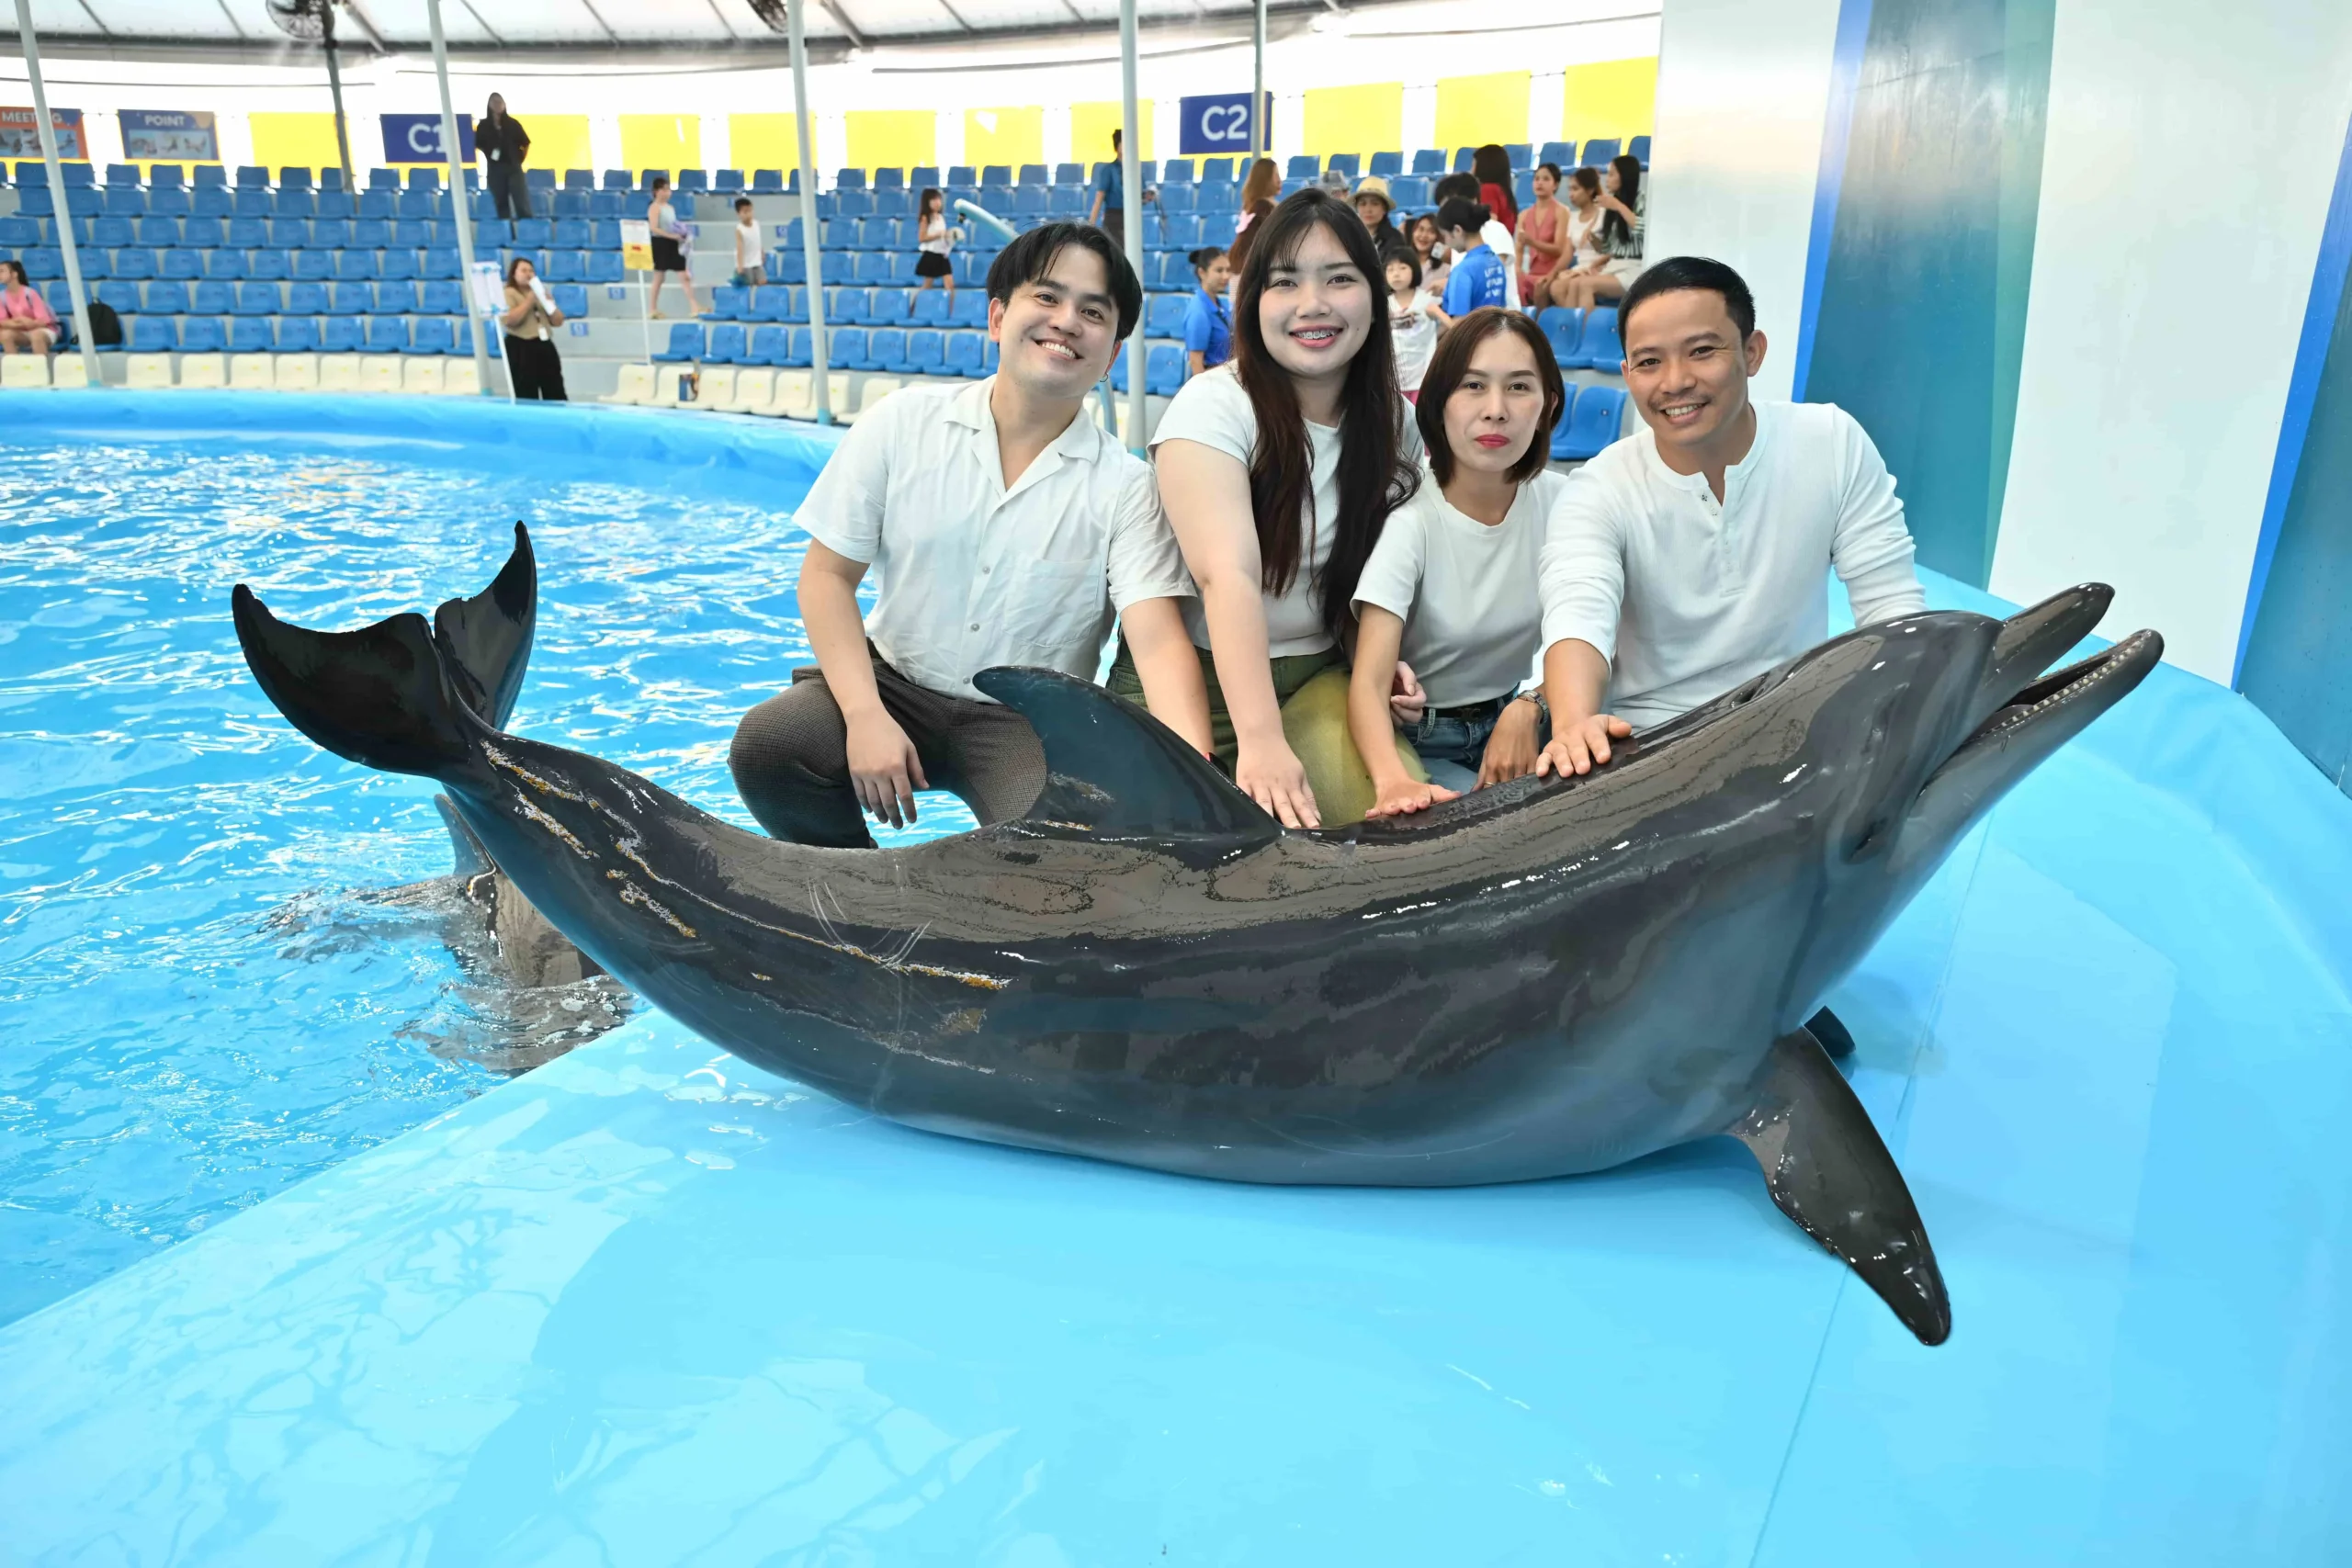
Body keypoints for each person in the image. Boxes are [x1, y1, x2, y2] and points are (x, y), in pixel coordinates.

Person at [728, 222, 1210, 848]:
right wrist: (865, 713)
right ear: (997, 316)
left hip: (1023, 720)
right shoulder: (903, 424)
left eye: (1093, 312)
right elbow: (825, 578)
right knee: (772, 746)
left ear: (1112, 353)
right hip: (892, 683)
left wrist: (1195, 780)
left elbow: (1157, 640)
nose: (1066, 321)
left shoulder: (1125, 486)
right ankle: (854, 888)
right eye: (1047, 297)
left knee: (1055, 846)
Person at [1534, 256, 1927, 782]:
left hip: (1794, 730)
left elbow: (1891, 607)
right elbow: (1577, 614)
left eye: (1702, 351)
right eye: (1649, 362)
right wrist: (1575, 724)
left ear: (1752, 351)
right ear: (1626, 374)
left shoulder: (1831, 442)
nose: (1675, 382)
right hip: (1645, 745)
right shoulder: (1600, 488)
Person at [1115, 189, 1424, 829]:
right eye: (1285, 282)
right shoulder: (1212, 409)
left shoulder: (1395, 421)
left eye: (1339, 278)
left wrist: (1378, 657)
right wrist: (1259, 740)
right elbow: (1226, 577)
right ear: (1252, 302)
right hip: (1198, 684)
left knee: (1388, 820)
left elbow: (1385, 563)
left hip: (1319, 673)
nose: (1313, 304)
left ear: (1373, 294)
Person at [1350, 307, 1568, 817]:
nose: (1495, 410)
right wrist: (1393, 783)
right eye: (1473, 386)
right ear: (1437, 403)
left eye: (1518, 387)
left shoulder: (1566, 504)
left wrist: (1530, 704)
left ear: (1548, 405)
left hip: (1523, 718)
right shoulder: (1411, 521)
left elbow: (1606, 642)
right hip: (1425, 736)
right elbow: (1367, 685)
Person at [1549, 154, 1645, 310]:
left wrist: (1619, 207)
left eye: (1612, 174)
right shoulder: (1611, 204)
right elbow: (1607, 249)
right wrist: (1593, 240)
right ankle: (1574, 330)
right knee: (1574, 283)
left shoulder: (1641, 200)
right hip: (1614, 266)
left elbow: (1643, 230)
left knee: (1585, 285)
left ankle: (1583, 332)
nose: (1607, 179)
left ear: (1625, 176)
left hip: (1634, 268)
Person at [500, 255, 567, 400]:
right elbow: (509, 320)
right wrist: (529, 301)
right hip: (521, 345)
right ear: (514, 274)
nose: (528, 274)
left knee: (555, 387)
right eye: (523, 270)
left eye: (531, 270)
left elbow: (558, 321)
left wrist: (550, 305)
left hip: (544, 344)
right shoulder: (508, 293)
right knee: (526, 389)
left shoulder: (539, 292)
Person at [1384, 248, 1442, 398]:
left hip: (1422, 376)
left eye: (1402, 268)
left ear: (1414, 270)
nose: (1396, 274)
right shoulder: (1384, 305)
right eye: (1390, 270)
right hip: (1393, 379)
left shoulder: (1427, 300)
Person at [1437, 198, 1507, 316]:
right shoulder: (1496, 261)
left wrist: (1434, 311)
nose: (1446, 242)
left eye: (1445, 236)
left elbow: (1459, 323)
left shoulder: (1463, 270)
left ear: (1457, 230)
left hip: (1474, 333)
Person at [1516, 163, 1568, 307]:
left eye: (1546, 179)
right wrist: (1518, 269)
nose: (1540, 183)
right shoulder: (1524, 215)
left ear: (1555, 185)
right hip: (1533, 272)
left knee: (1541, 286)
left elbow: (1559, 249)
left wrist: (1532, 242)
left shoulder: (1562, 211)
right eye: (1537, 178)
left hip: (1554, 272)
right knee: (1514, 280)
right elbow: (1519, 249)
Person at [646, 175, 697, 319]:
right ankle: (652, 309)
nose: (668, 192)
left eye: (669, 189)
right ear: (657, 191)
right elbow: (654, 228)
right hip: (660, 244)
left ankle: (694, 306)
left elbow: (673, 225)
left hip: (673, 244)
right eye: (664, 189)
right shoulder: (654, 208)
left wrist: (681, 232)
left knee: (684, 274)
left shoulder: (670, 208)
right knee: (659, 277)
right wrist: (671, 236)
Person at [478, 93, 532, 220]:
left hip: (513, 167)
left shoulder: (513, 124)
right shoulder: (484, 126)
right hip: (495, 169)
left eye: (500, 102)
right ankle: (507, 231)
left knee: (521, 201)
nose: (497, 105)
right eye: (494, 102)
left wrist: (520, 158)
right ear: (489, 105)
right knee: (501, 202)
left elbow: (525, 143)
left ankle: (526, 229)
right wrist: (490, 155)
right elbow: (479, 144)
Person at [1181, 245, 1232, 378]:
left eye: (1228, 270)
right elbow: (1196, 362)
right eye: (1219, 270)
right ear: (1202, 273)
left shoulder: (1219, 305)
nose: (1226, 276)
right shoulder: (1199, 311)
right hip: (1211, 384)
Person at [0, 261, 58, 355]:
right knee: (4, 335)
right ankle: (14, 366)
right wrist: (21, 322)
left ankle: (39, 368)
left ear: (14, 274)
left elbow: (43, 321)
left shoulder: (30, 293)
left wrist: (29, 323)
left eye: (2, 271)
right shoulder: (2, 297)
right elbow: (2, 322)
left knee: (36, 335)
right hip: (22, 332)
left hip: (44, 331)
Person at [1087, 129, 1127, 249]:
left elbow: (1142, 197)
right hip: (1114, 217)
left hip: (1131, 217)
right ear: (1117, 146)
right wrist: (1091, 225)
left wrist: (1148, 197)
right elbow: (1099, 199)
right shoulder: (1108, 170)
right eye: (1122, 142)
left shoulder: (1137, 170)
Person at [914, 186, 955, 299]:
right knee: (927, 286)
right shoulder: (925, 218)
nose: (937, 202)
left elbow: (943, 235)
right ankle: (913, 307)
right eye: (933, 200)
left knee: (950, 286)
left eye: (938, 199)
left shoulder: (941, 217)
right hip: (931, 255)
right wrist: (939, 235)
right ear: (927, 202)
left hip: (942, 255)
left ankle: (951, 314)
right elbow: (921, 238)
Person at [1352, 175, 1405, 260]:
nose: (1368, 209)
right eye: (1363, 204)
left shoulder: (1395, 240)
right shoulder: (1348, 237)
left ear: (1384, 209)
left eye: (1375, 204)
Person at [1472, 143, 1518, 233]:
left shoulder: (1488, 189)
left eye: (1473, 165)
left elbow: (1489, 224)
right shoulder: (1502, 190)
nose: (1471, 170)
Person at [1408, 211, 1450, 299]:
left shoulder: (1446, 267)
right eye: (1421, 229)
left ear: (1439, 236)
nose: (1424, 235)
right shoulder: (1403, 260)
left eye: (1431, 231)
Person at [730, 197, 766, 289]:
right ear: (739, 214)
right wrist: (740, 266)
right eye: (745, 212)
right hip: (746, 264)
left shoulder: (756, 224)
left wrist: (762, 253)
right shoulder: (739, 229)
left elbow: (758, 240)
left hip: (757, 262)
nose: (749, 214)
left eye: (750, 211)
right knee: (749, 285)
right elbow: (739, 249)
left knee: (762, 282)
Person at [1237, 157, 1281, 225]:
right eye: (1276, 176)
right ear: (1265, 180)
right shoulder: (1263, 208)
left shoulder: (1255, 206)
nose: (1279, 181)